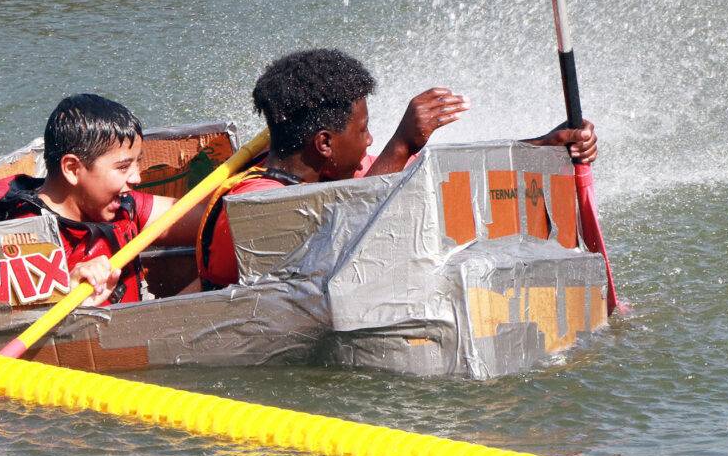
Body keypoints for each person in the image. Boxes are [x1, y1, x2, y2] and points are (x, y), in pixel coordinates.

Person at [196, 48, 597, 289]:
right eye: (364, 130)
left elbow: (433, 178)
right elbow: (341, 241)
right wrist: (402, 142)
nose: (371, 141)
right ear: (324, 144)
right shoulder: (254, 207)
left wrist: (545, 146)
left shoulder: (338, 177)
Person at [0, 94, 202, 306]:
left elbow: (207, 218)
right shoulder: (23, 238)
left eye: (136, 163)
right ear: (73, 169)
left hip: (134, 332)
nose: (137, 177)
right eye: (123, 167)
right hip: (77, 343)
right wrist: (66, 287)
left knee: (219, 267)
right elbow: (2, 319)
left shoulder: (120, 206)